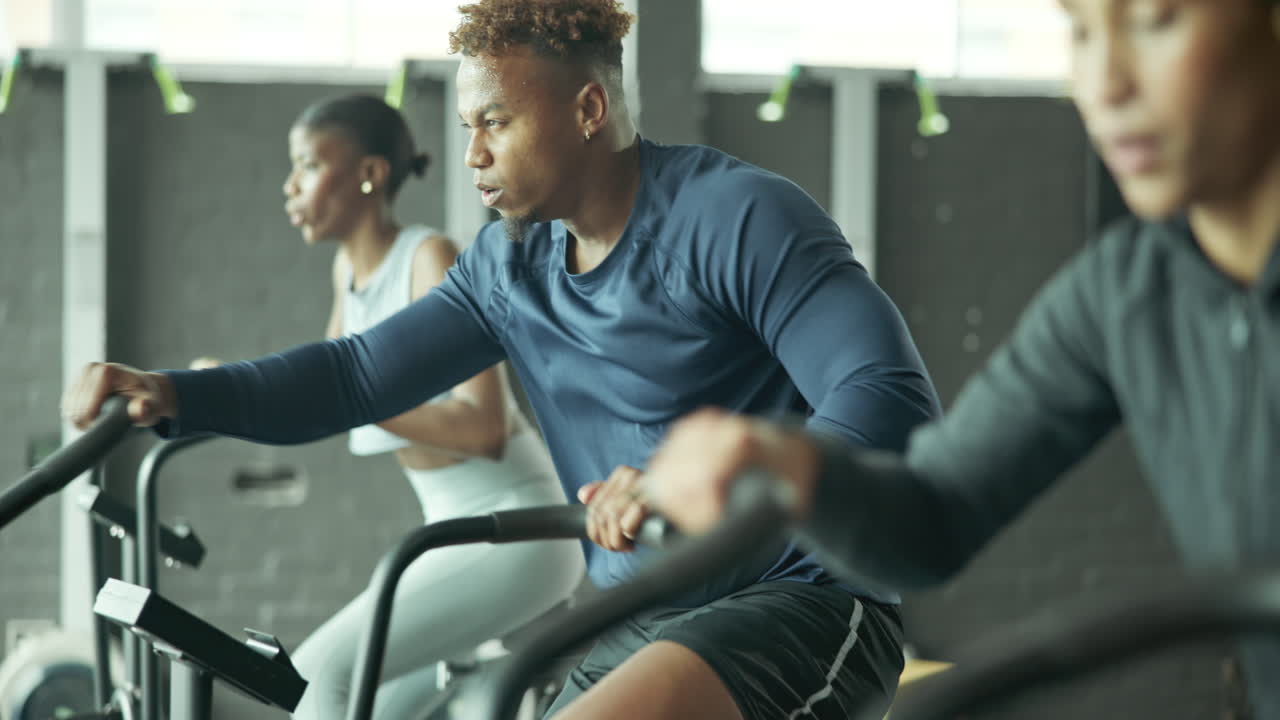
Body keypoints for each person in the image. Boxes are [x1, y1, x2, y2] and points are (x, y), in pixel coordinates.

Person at [62, 1, 941, 718]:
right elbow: (353, 375)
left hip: (800, 598)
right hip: (642, 614)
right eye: (466, 125)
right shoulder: (508, 267)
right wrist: (175, 393)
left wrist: (696, 480)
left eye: (496, 122)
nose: (472, 153)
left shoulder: (735, 216)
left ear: (588, 111)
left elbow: (887, 394)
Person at [643, 0, 1280, 716]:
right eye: (1080, 30)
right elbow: (934, 516)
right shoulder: (1127, 293)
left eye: (1156, 19)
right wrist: (785, 462)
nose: (1105, 84)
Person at [194, 94, 585, 720]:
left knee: (319, 678)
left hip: (517, 528)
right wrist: (221, 392)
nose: (290, 185)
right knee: (371, 707)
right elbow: (320, 394)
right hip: (448, 531)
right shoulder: (347, 274)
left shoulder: (429, 258)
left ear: (370, 174)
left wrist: (360, 400)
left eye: (309, 166)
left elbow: (484, 427)